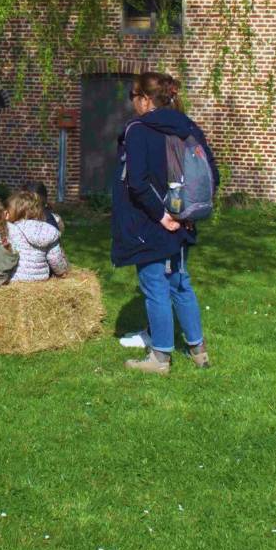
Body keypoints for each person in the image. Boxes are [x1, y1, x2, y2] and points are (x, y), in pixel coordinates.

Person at [113, 71, 219, 375]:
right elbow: (212, 175)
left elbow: (137, 182)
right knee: (180, 283)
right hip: (184, 219)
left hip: (150, 222)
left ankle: (160, 358)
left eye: (133, 96)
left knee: (155, 285)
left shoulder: (138, 130)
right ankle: (198, 351)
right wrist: (185, 213)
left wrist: (162, 216)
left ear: (146, 99)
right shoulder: (188, 127)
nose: (132, 102)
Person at [5, 190, 69, 282]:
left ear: (15, 211)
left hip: (15, 278)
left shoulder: (11, 229)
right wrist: (61, 272)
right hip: (40, 278)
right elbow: (54, 258)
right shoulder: (48, 231)